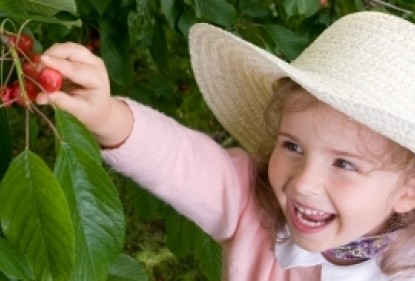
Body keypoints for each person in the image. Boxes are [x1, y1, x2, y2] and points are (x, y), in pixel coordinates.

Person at [35, 11, 415, 281]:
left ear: (408, 191)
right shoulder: (253, 206)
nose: (303, 183)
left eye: (345, 164)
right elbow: (183, 163)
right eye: (293, 146)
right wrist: (106, 117)